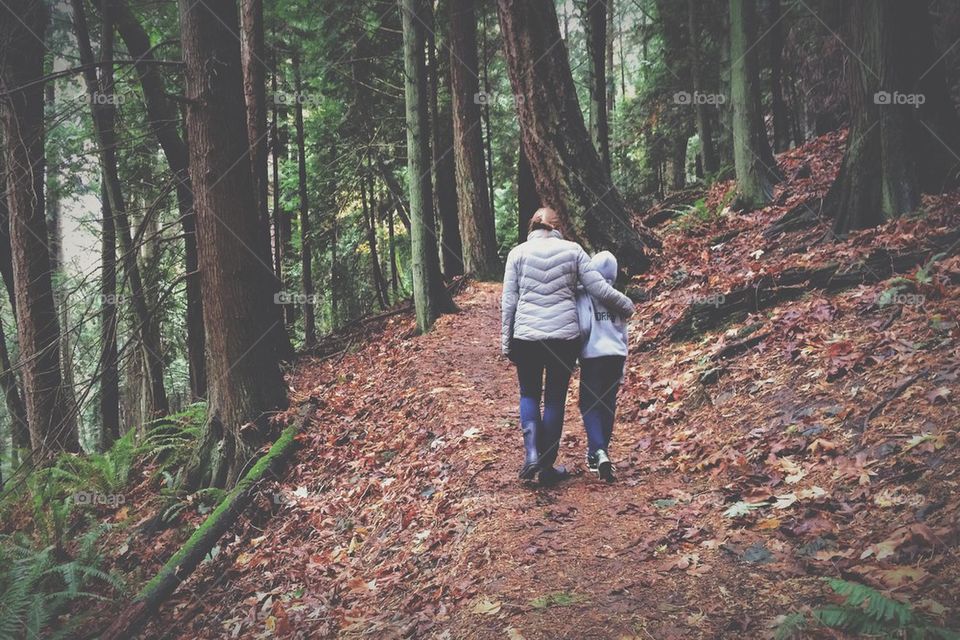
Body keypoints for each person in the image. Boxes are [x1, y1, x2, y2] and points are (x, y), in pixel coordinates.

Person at [501, 208, 635, 484]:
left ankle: (531, 454)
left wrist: (507, 341)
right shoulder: (573, 250)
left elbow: (509, 303)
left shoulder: (517, 253)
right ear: (558, 227)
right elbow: (599, 288)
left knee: (528, 394)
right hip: (562, 339)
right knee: (553, 400)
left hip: (526, 335)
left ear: (532, 227)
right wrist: (626, 306)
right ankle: (547, 466)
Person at [576, 251, 628, 483]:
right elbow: (623, 333)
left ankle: (598, 450)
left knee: (588, 403)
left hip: (593, 355)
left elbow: (584, 326)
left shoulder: (588, 296)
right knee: (607, 404)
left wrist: (578, 350)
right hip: (616, 356)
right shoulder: (618, 298)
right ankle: (599, 452)